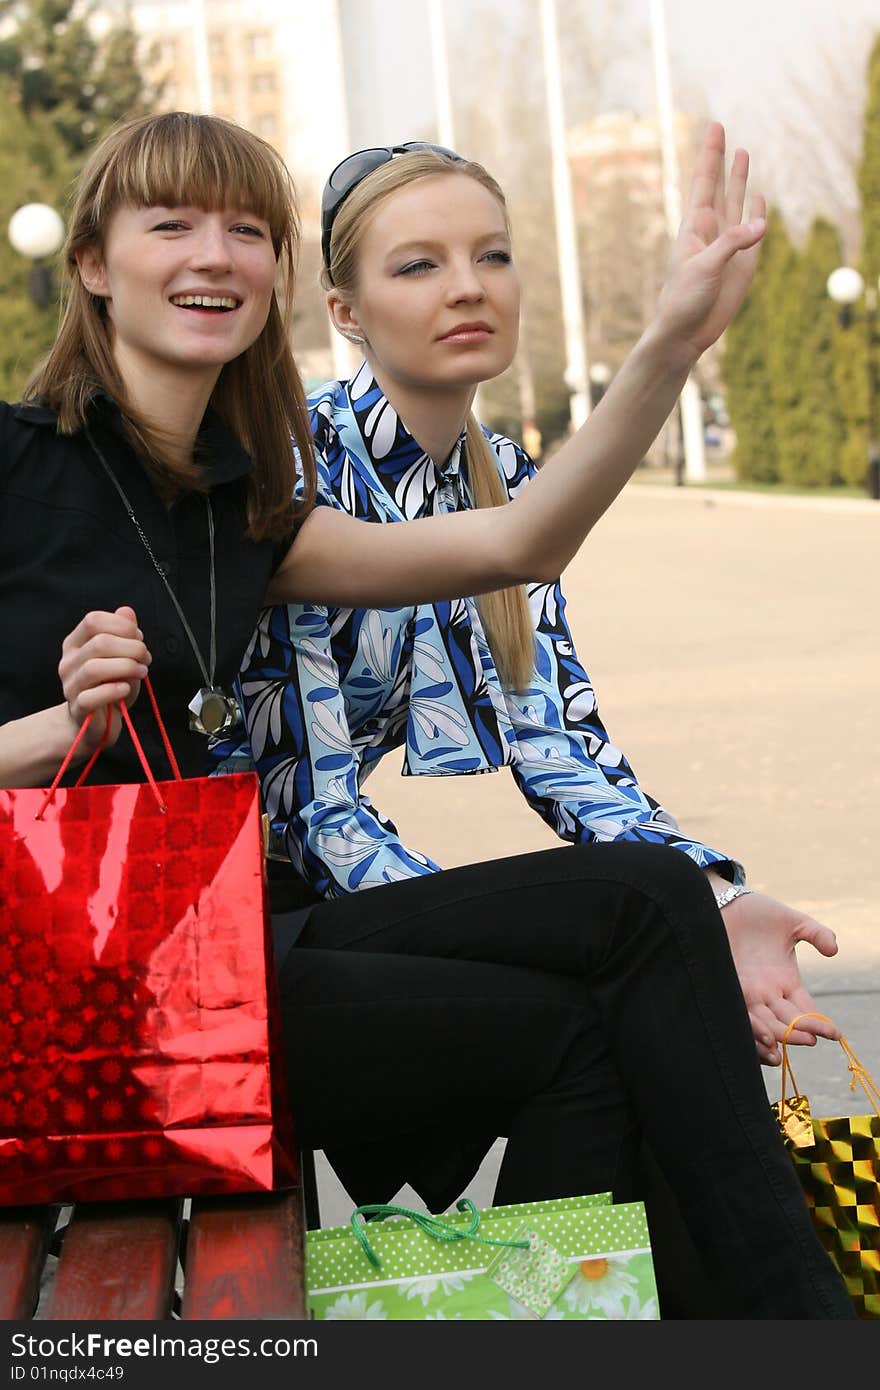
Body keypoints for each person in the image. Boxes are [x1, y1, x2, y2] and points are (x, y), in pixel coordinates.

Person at [0, 111, 852, 1318]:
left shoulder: (240, 507)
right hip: (77, 988)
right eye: (171, 224)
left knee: (642, 915)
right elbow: (312, 796)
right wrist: (40, 741)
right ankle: (803, 1328)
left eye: (247, 230)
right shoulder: (33, 467)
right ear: (92, 261)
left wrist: (667, 345)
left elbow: (522, 546)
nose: (216, 255)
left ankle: (704, 1326)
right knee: (605, 989)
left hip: (229, 946)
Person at [222, 139, 840, 1073]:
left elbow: (556, 741)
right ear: (345, 311)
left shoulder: (502, 477)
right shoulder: (295, 462)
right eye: (419, 264)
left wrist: (719, 896)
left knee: (661, 941)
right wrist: (520, 932)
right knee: (621, 964)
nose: (469, 287)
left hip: (330, 898)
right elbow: (311, 806)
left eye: (493, 254)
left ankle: (661, 1228)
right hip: (225, 909)